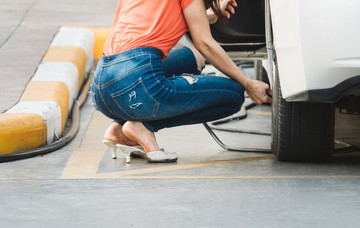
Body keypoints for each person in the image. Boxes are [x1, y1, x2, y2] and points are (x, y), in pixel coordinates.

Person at [90, 0, 272, 163]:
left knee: (194, 57)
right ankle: (144, 126)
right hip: (137, 85)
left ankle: (118, 129)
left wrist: (206, 15)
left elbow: (157, 22)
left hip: (102, 86)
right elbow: (205, 43)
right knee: (233, 94)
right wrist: (249, 84)